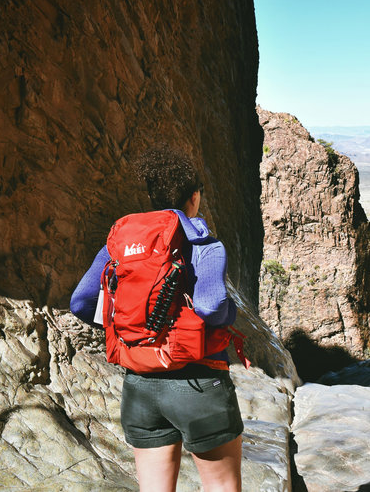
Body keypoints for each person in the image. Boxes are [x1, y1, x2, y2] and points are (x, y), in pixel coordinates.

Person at [70, 146, 243, 492]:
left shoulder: (119, 245)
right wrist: (228, 315)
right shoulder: (204, 244)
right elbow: (211, 306)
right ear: (194, 197)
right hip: (199, 384)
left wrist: (128, 324)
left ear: (151, 196)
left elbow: (80, 302)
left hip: (140, 387)